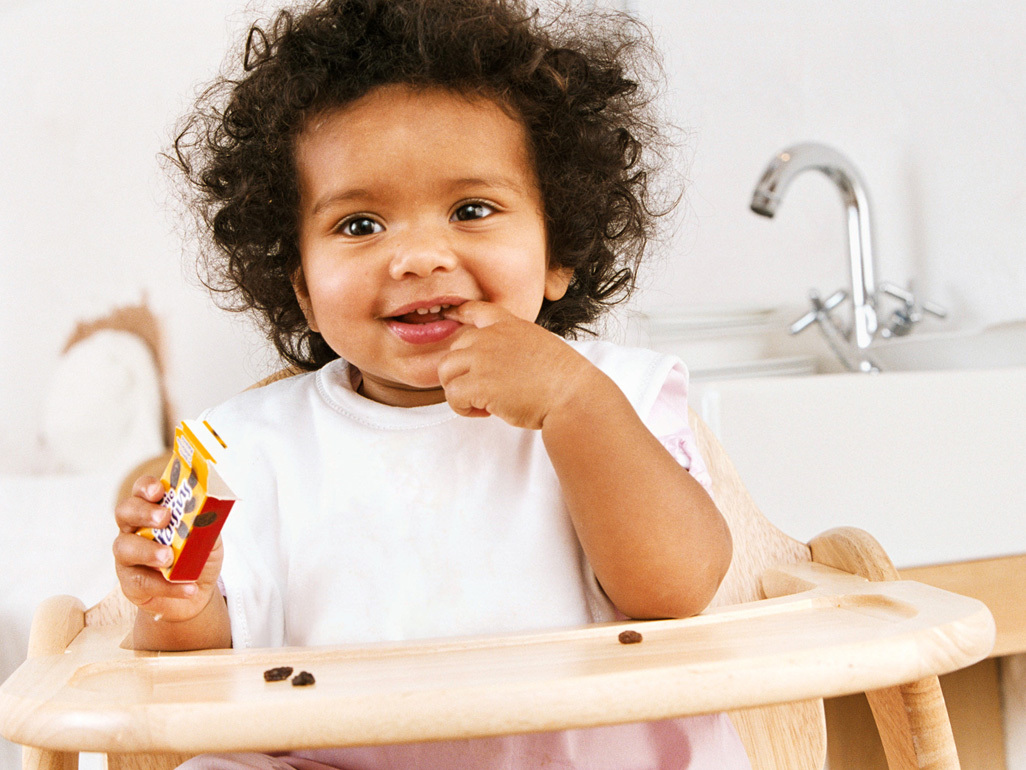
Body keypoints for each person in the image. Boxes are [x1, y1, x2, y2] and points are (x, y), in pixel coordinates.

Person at [113, 0, 747, 766]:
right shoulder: (235, 446)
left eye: (471, 209)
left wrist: (575, 405)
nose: (416, 257)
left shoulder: (611, 395)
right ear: (303, 288)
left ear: (559, 251)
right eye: (359, 226)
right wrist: (177, 603)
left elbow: (677, 591)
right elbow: (193, 683)